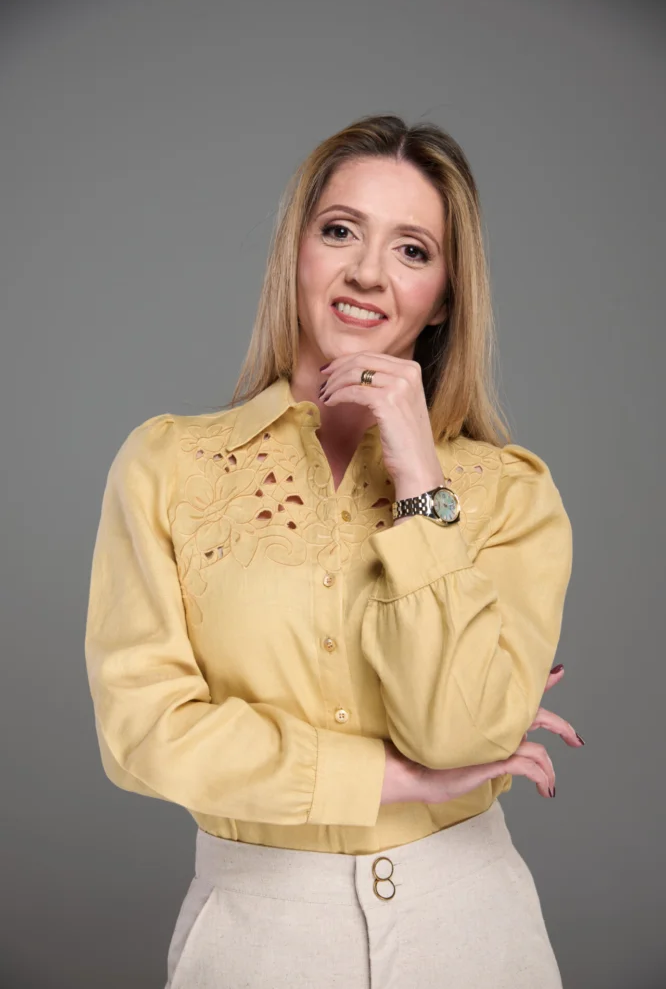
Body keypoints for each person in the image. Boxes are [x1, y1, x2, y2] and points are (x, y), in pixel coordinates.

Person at [84, 112, 584, 988]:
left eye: (412, 250)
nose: (367, 272)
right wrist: (386, 779)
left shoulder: (513, 494)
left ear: (446, 296)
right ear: (297, 253)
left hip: (473, 930)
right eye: (341, 231)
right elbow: (143, 732)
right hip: (257, 935)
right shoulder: (167, 465)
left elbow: (459, 731)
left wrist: (420, 473)